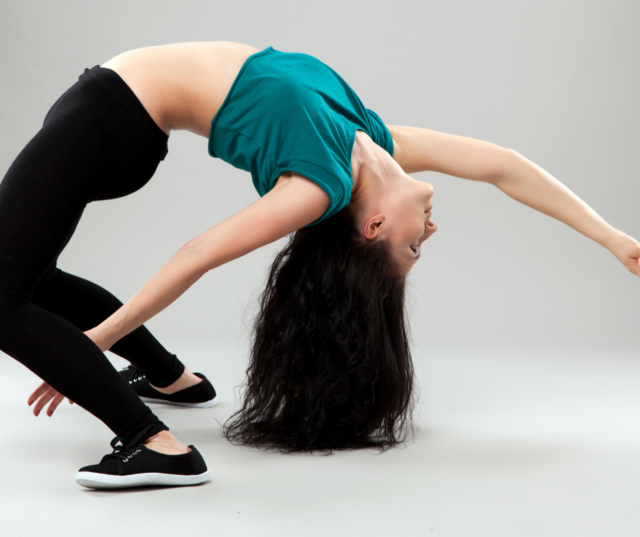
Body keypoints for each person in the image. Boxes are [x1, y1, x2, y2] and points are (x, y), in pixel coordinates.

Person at [1, 42, 638, 490]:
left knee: (3, 295)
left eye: (417, 248)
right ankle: (173, 379)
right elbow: (503, 164)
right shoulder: (374, 137)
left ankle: (154, 444)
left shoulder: (318, 186)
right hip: (110, 112)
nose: (433, 231)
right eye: (420, 247)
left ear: (374, 226)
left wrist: (94, 344)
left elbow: (196, 254)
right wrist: (611, 238)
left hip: (112, 119)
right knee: (28, 277)